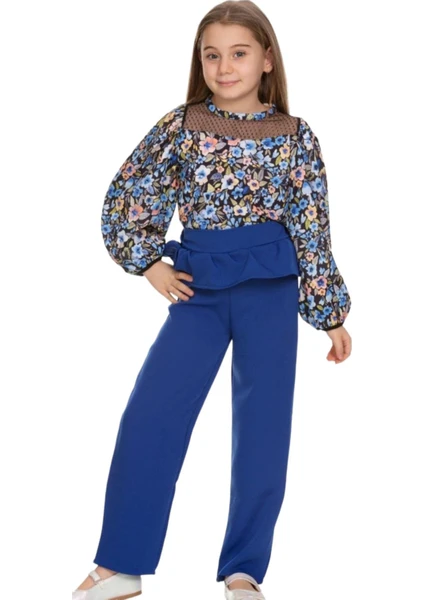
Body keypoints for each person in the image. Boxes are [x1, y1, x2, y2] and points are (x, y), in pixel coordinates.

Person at [72, 1, 352, 598]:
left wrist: (330, 315)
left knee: (263, 432)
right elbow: (132, 190)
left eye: (239, 53)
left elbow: (312, 226)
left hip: (270, 291)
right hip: (197, 289)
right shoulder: (182, 125)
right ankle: (121, 565)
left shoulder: (296, 136)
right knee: (150, 417)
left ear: (267, 59)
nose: (225, 67)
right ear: (199, 62)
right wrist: (147, 261)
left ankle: (243, 571)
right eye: (212, 55)